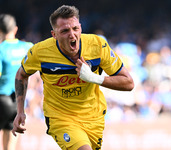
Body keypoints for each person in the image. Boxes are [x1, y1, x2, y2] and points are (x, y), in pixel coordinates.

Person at [12, 5, 134, 150]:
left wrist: (93, 78)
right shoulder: (40, 52)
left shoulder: (97, 46)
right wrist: (20, 111)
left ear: (80, 28)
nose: (72, 35)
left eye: (75, 29)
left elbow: (128, 82)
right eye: (65, 31)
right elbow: (21, 74)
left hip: (93, 117)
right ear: (54, 34)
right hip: (60, 117)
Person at [0, 14, 33, 150]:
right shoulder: (28, 47)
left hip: (2, 98)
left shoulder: (1, 49)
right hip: (18, 101)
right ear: (15, 29)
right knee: (10, 141)